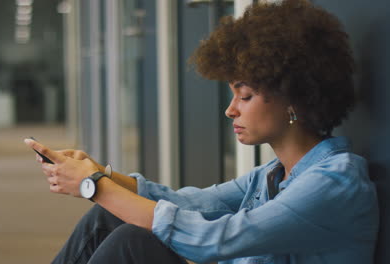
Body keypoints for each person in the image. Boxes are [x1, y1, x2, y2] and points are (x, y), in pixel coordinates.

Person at [24, 0, 379, 263]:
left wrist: (93, 186)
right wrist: (102, 175)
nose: (231, 109)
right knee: (110, 217)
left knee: (131, 242)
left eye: (246, 95)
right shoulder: (270, 176)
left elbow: (216, 239)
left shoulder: (335, 183)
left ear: (294, 97)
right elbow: (186, 202)